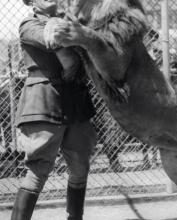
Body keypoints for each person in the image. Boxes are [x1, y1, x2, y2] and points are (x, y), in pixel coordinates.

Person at [11, 0, 97, 220]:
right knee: (39, 169)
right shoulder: (28, 24)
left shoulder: (70, 21)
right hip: (44, 100)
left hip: (76, 102)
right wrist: (71, 59)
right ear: (30, 2)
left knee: (80, 166)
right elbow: (52, 39)